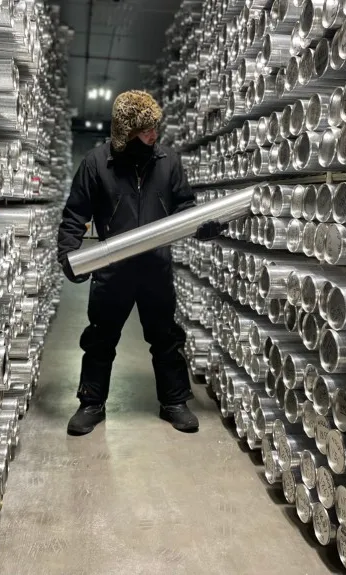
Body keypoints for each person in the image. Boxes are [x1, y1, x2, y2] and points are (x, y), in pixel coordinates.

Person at [57, 90, 225, 436]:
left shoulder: (168, 162)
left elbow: (184, 207)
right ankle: (91, 403)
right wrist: (68, 254)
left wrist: (201, 226)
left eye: (155, 126)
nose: (153, 133)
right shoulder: (97, 163)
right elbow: (76, 213)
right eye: (146, 128)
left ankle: (174, 401)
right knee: (100, 338)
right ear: (126, 131)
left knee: (166, 338)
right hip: (111, 270)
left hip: (155, 267)